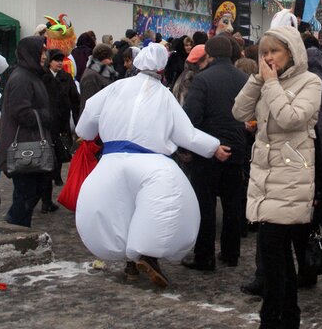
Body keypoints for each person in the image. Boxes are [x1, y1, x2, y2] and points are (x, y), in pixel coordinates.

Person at [75, 43, 231, 288]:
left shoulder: (114, 88)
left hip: (111, 161)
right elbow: (186, 134)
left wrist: (87, 132)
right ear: (162, 68)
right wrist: (213, 148)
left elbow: (86, 122)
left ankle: (129, 263)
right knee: (164, 208)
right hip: (151, 163)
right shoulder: (164, 96)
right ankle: (147, 253)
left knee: (119, 210)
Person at [232, 26, 321, 329]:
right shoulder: (265, 80)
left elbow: (290, 118)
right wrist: (258, 78)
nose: (268, 57)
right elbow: (239, 111)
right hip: (265, 178)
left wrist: (270, 84)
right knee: (278, 258)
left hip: (291, 179)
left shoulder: (310, 82)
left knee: (273, 256)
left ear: (291, 52)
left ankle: (273, 318)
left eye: (274, 51)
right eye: (264, 52)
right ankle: (287, 317)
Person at [182, 36, 250, 271]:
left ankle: (205, 255)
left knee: (205, 204)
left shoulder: (203, 80)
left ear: (209, 54)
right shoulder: (244, 78)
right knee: (232, 204)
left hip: (208, 150)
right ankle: (231, 253)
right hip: (237, 147)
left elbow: (191, 116)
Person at [0, 36, 53, 228]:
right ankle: (15, 232)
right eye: (42, 51)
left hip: (29, 143)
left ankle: (17, 229)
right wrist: (46, 115)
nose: (45, 56)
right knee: (25, 194)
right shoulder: (22, 78)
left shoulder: (30, 75)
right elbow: (22, 113)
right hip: (24, 146)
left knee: (31, 191)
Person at [42, 49, 81, 191]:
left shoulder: (66, 77)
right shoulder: (43, 77)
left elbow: (75, 100)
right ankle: (49, 175)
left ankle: (57, 174)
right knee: (48, 148)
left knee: (61, 148)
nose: (59, 63)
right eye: (56, 60)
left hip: (62, 119)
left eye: (61, 60)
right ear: (49, 62)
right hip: (46, 120)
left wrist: (78, 122)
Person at [79, 43, 118, 114]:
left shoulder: (104, 72)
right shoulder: (90, 76)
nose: (111, 61)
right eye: (109, 58)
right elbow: (88, 104)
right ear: (101, 58)